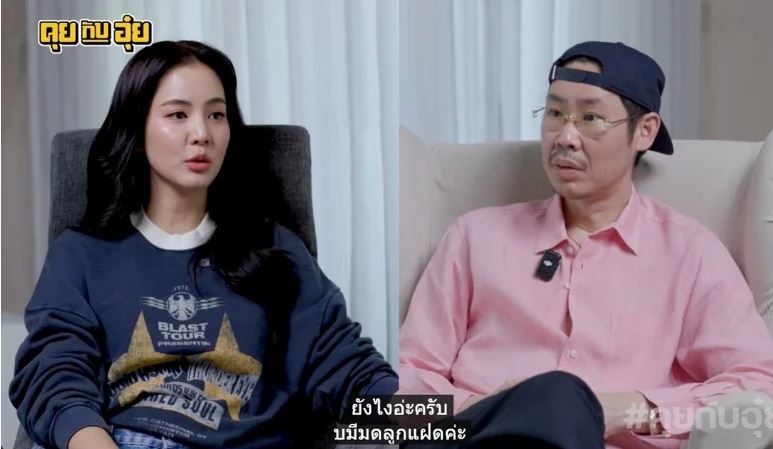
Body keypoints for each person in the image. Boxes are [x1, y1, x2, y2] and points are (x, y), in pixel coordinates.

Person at [11, 40, 396, 449]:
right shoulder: (80, 254)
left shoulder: (275, 250)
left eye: (216, 115)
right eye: (178, 115)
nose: (202, 134)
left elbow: (343, 363)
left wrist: (425, 418)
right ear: (137, 130)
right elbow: (55, 373)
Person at [399, 41, 773, 449]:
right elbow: (407, 378)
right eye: (555, 114)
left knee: (562, 397)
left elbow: (758, 386)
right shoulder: (474, 237)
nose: (565, 137)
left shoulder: (691, 254)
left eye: (591, 118)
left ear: (645, 131)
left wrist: (627, 411)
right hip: (473, 439)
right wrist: (494, 410)